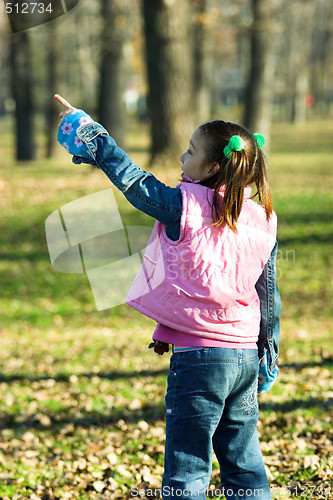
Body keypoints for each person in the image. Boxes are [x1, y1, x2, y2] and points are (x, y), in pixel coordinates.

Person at [54, 94, 281, 500]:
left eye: (190, 151)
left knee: (188, 465)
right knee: (243, 461)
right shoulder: (263, 217)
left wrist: (92, 135)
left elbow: (134, 181)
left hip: (199, 362)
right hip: (245, 355)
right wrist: (269, 353)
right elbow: (265, 291)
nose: (181, 156)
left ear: (213, 167)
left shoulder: (185, 206)